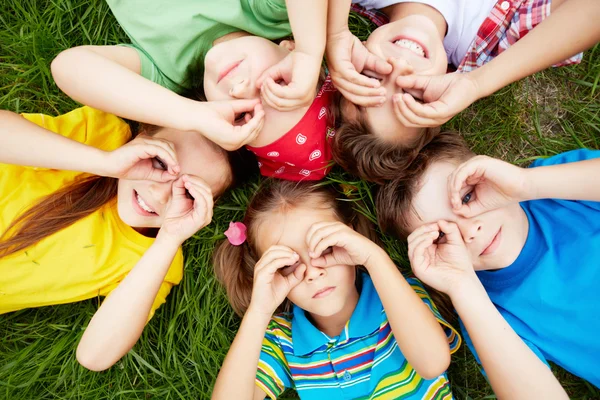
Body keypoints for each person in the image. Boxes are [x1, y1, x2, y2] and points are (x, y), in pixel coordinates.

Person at [0, 106, 234, 371]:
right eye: (160, 163)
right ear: (142, 138)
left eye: (188, 193)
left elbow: (94, 355)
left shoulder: (152, 259)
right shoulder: (102, 135)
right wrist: (104, 162)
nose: (159, 194)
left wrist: (169, 239)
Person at [377, 130, 600, 390]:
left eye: (468, 197)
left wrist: (525, 183)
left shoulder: (553, 188)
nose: (471, 232)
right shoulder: (485, 311)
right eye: (442, 235)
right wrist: (462, 286)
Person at [211, 181, 460, 399]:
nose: (313, 272)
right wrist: (259, 311)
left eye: (326, 248)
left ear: (352, 238)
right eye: (287, 265)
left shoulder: (397, 297)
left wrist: (374, 259)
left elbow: (433, 363)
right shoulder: (283, 340)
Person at [52, 0, 339, 181]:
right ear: (288, 48)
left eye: (242, 115)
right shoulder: (270, 10)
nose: (241, 89)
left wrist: (192, 115)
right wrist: (309, 51)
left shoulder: (166, 73)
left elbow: (69, 67)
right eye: (278, 83)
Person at [326, 0, 600, 183]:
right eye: (411, 94)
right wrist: (476, 83)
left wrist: (334, 32)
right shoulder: (497, 41)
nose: (399, 68)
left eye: (371, 76)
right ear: (439, 89)